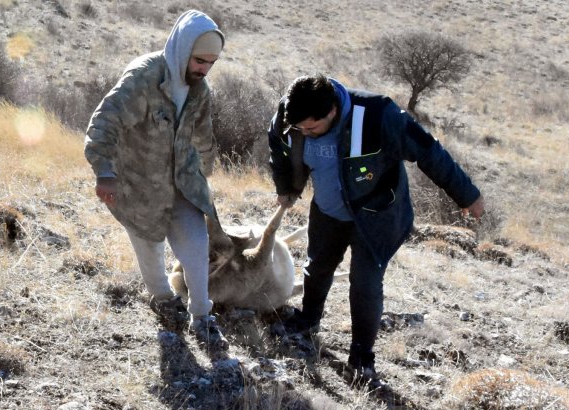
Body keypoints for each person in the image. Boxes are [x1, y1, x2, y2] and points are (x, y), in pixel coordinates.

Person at [268, 74, 484, 388]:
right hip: (328, 211)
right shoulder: (291, 115)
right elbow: (277, 144)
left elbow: (428, 151)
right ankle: (308, 319)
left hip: (376, 215)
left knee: (365, 283)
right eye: (300, 129)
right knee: (318, 266)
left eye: (312, 128)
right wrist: (286, 186)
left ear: (331, 112)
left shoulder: (378, 115)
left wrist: (467, 196)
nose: (305, 134)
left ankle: (361, 358)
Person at [85, 10, 231, 352]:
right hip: (139, 184)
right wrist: (105, 173)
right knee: (149, 248)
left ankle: (202, 316)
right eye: (199, 61)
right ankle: (164, 300)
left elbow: (203, 136)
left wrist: (203, 174)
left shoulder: (199, 89)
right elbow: (104, 122)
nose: (204, 69)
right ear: (182, 49)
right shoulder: (144, 77)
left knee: (196, 246)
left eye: (211, 63)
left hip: (181, 182)